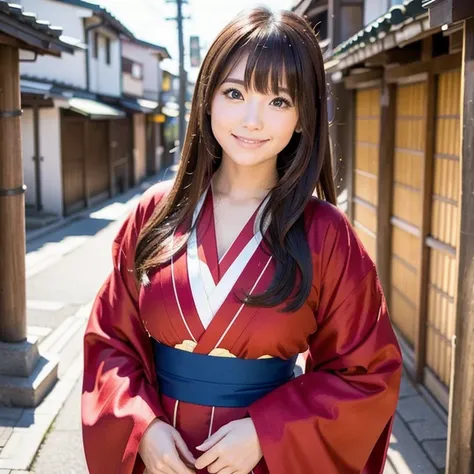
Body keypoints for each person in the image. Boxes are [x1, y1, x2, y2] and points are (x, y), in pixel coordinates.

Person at [82, 6, 402, 474]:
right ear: (207, 98)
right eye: (234, 92)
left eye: (279, 101)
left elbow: (366, 373)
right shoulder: (156, 213)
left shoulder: (326, 233)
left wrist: (269, 431)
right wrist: (140, 426)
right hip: (158, 463)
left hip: (267, 463)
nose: (252, 120)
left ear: (304, 116)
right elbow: (110, 341)